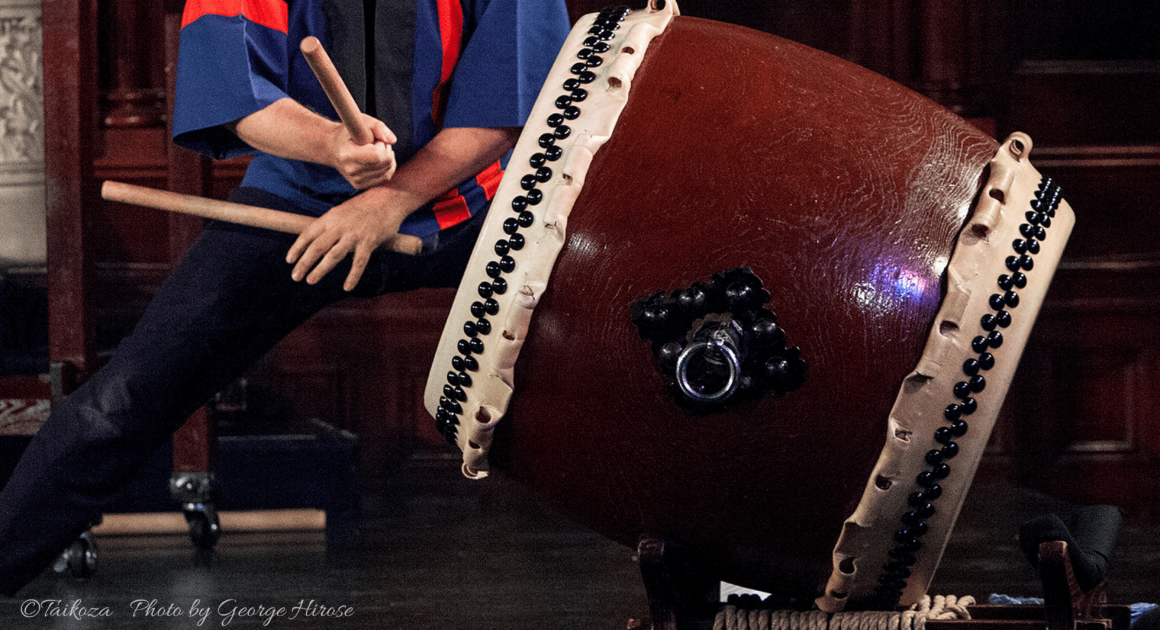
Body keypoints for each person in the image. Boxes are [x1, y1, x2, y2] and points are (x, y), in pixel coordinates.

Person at [0, 0, 570, 597]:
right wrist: (332, 144)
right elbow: (233, 90)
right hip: (301, 204)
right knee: (123, 400)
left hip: (476, 202)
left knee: (618, 323)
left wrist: (391, 199)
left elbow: (513, 101)